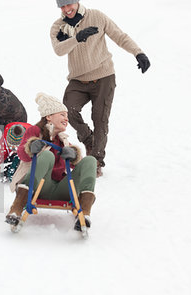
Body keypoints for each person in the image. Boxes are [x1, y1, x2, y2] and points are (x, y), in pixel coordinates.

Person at [50, 0, 151, 177]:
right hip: (78, 79)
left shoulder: (96, 16)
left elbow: (120, 36)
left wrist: (138, 53)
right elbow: (58, 50)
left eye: (69, 5)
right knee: (68, 110)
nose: (66, 10)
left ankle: (95, 161)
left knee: (100, 119)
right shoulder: (59, 26)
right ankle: (89, 139)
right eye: (62, 6)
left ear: (77, 2)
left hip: (104, 76)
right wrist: (77, 38)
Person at [6, 93, 97, 231]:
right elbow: (22, 155)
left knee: (90, 160)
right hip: (36, 186)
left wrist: (74, 155)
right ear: (49, 116)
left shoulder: (63, 140)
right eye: (62, 114)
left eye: (66, 115)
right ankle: (16, 208)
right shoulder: (35, 131)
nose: (66, 118)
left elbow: (78, 166)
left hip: (61, 190)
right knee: (47, 155)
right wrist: (31, 147)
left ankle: (85, 213)